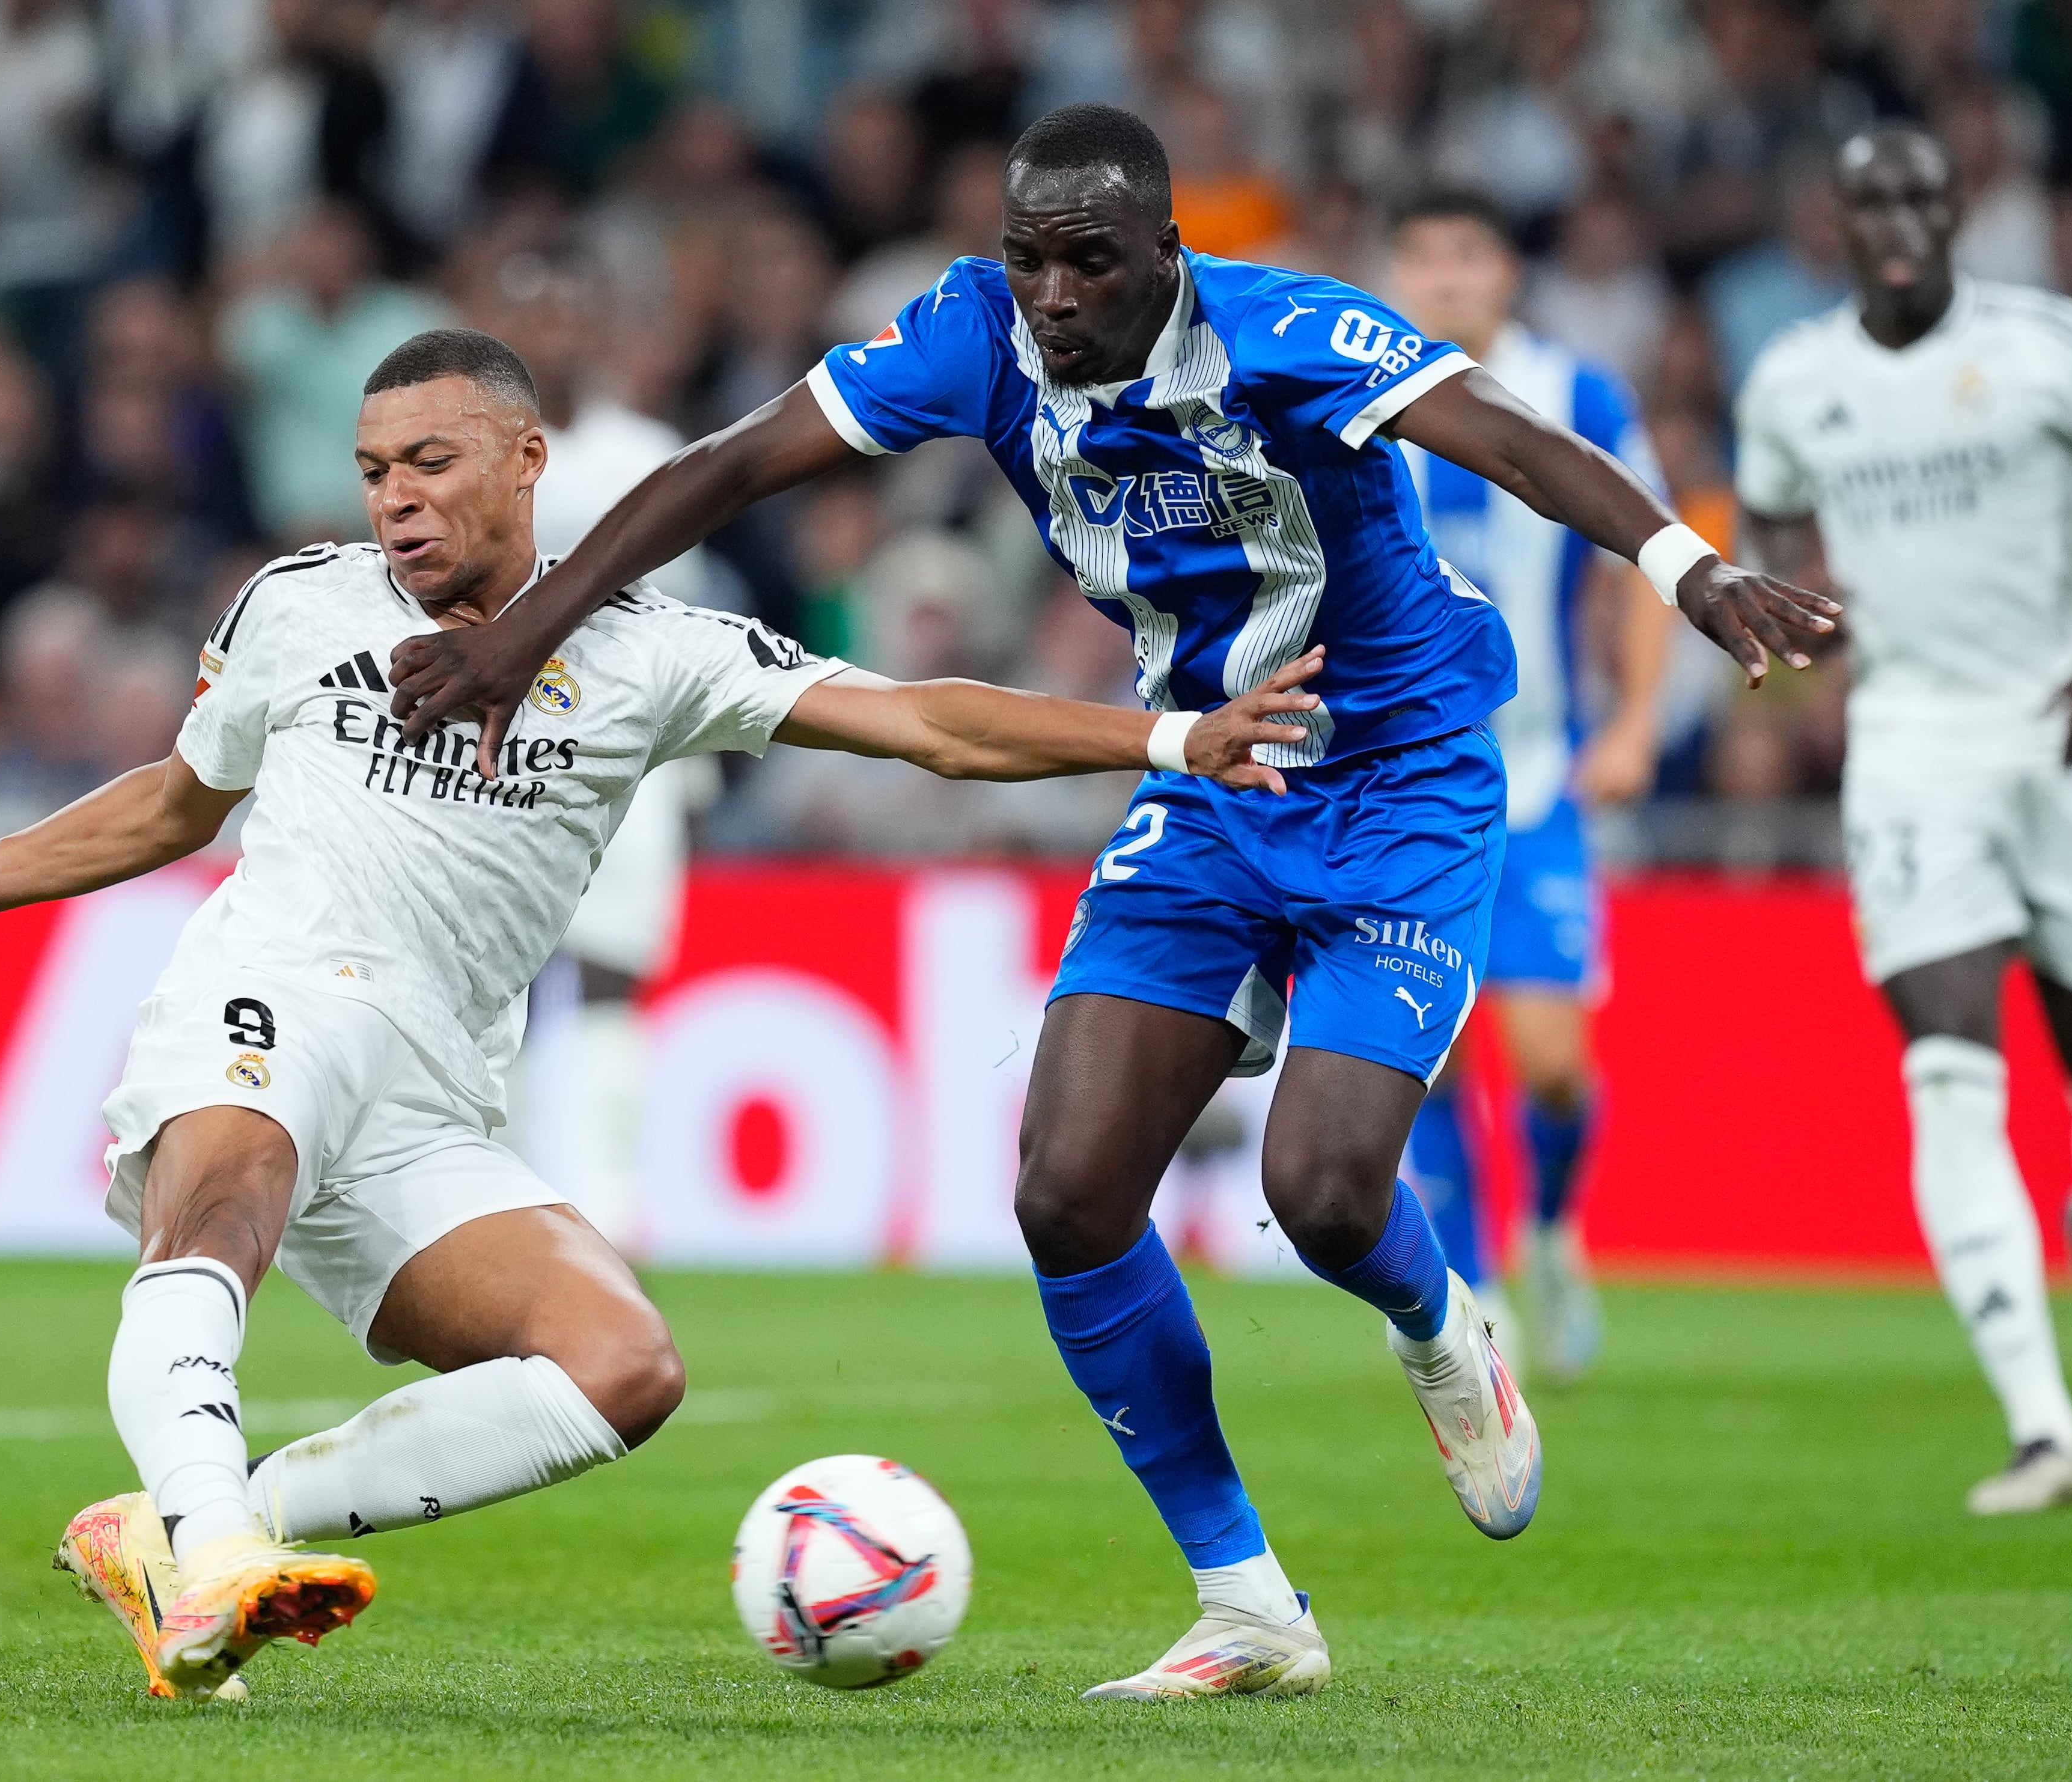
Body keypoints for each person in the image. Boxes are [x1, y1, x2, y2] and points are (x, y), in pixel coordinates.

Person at [383, 104, 1835, 1698]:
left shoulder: (1288, 328)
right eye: (1030, 259)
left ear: (1167, 253)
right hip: (1212, 782)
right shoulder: (970, 335)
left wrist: (1693, 570)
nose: (1053, 295)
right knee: (1067, 1190)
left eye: (1089, 262)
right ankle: (1249, 1603)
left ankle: (1441, 1325)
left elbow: (1513, 438)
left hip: (1403, 779)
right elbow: (729, 468)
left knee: (1330, 1190)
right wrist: (522, 632)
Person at [0, 327, 1324, 1702]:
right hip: (269, 990)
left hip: (434, 1092)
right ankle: (214, 1550)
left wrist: (1171, 734)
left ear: (529, 462)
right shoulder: (298, 603)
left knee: (620, 1363)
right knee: (223, 1200)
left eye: (431, 461)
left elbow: (920, 721)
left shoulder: (650, 652)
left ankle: (191, 1517)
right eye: (376, 467)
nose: (396, 495)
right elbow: (180, 802)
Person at [1735, 124, 2072, 1516]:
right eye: (1866, 199)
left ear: (1959, 208)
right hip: (1910, 751)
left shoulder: (2057, 346)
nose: (1893, 217)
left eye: (1917, 192)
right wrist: (1798, 623)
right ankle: (2039, 1426)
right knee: (1948, 1064)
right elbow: (1771, 533)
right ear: (1835, 222)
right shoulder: (1794, 378)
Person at [1384, 190, 1677, 1380]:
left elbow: (1646, 555)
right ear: (1395, 274)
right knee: (1429, 1051)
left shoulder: (1577, 398)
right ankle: (1475, 1283)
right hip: (1397, 777)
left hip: (1540, 768)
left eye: (1467, 254)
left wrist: (1639, 722)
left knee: (1551, 1057)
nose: (1446, 278)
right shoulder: (1352, 389)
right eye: (1422, 256)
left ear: (1507, 270)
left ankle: (1553, 1225)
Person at [486, 243, 709, 1250]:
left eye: (569, 314)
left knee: (619, 968)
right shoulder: (478, 460)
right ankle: (509, 1188)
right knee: (506, 971)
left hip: (632, 748)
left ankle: (612, 1200)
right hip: (505, 744)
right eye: (533, 318)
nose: (553, 336)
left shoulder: (648, 452)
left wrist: (692, 758)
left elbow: (683, 620)